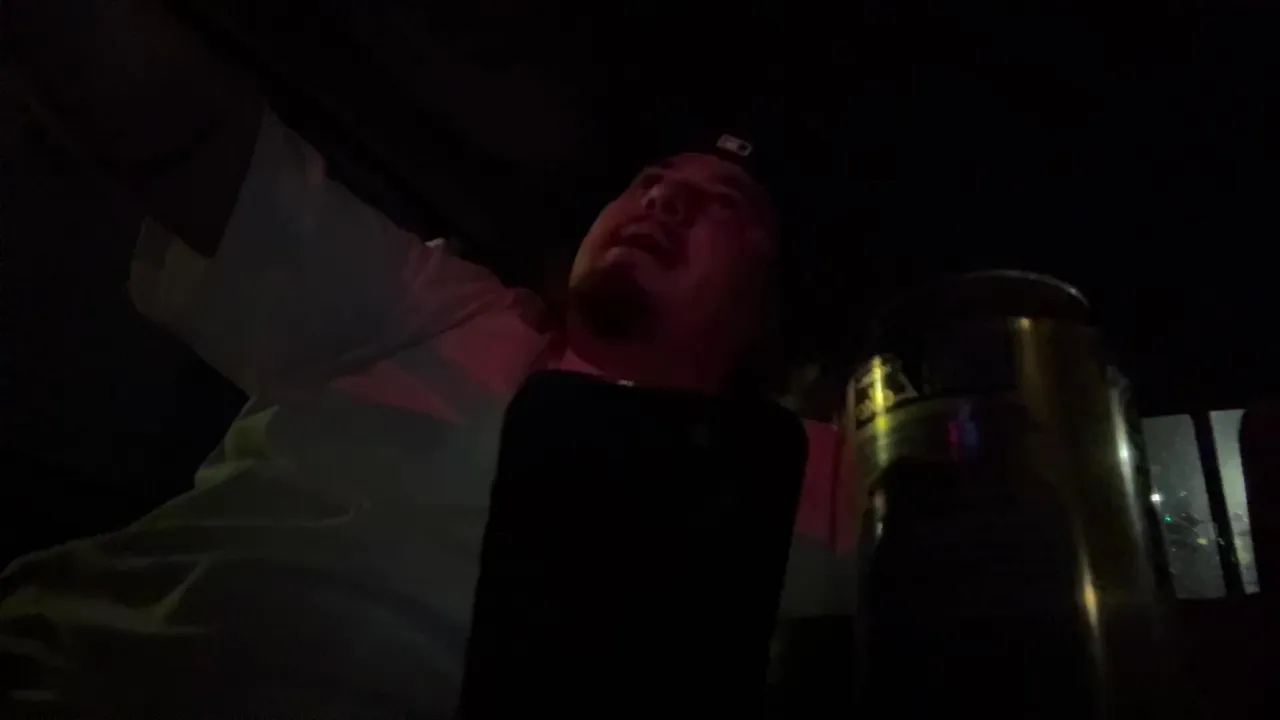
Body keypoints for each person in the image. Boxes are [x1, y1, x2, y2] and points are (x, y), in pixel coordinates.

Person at [0, 0, 856, 715]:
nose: (663, 199)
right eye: (650, 179)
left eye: (722, 202)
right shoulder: (443, 312)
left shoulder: (809, 480)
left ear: (767, 311)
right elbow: (187, 140)